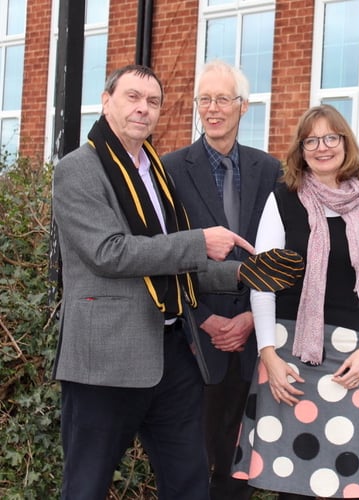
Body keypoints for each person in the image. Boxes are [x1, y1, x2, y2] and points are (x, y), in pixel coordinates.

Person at [52, 64, 256, 500]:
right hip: (103, 362)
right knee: (85, 487)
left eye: (154, 102)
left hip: (171, 353)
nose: (143, 109)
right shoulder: (79, 169)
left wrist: (244, 273)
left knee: (189, 482)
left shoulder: (155, 170)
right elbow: (110, 252)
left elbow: (172, 266)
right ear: (106, 102)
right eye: (132, 98)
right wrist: (199, 241)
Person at [231, 104, 359, 498]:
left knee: (345, 481)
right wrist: (267, 353)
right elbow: (263, 280)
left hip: (350, 358)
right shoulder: (283, 199)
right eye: (312, 140)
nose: (323, 147)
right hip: (289, 355)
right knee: (291, 481)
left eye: (331, 137)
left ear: (345, 143)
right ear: (301, 150)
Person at [163, 60, 281, 500]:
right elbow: (164, 252)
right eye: (204, 100)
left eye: (222, 100)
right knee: (188, 464)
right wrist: (204, 317)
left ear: (243, 107)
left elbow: (282, 254)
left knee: (239, 469)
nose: (213, 109)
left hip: (252, 341)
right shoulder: (170, 169)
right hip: (193, 340)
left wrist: (252, 316)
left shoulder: (269, 170)